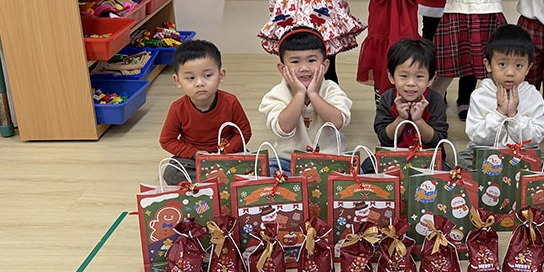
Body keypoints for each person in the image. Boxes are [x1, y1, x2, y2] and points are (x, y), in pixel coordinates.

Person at [259, 26, 352, 173]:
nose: (304, 68)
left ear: (325, 66)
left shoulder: (331, 89)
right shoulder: (277, 94)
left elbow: (338, 122)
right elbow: (284, 128)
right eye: (295, 61)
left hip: (330, 158)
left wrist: (313, 94)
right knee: (267, 169)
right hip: (288, 160)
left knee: (357, 170)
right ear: (282, 68)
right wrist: (299, 94)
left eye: (312, 60)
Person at [159, 39, 252, 185]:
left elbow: (244, 132)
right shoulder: (177, 108)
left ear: (221, 75)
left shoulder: (231, 102)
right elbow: (167, 140)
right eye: (190, 78)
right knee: (172, 173)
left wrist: (224, 153)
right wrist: (195, 153)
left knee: (252, 165)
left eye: (208, 75)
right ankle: (219, 181)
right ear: (177, 81)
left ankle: (210, 181)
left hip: (227, 156)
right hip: (193, 159)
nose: (200, 83)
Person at [465, 24, 544, 154]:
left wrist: (514, 115)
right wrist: (499, 114)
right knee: (462, 159)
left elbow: (535, 138)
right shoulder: (480, 95)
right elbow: (477, 137)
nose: (510, 72)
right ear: (488, 65)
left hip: (522, 156)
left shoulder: (533, 95)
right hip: (487, 155)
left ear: (528, 68)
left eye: (519, 65)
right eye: (502, 64)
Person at [374, 38, 448, 149]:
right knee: (368, 161)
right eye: (404, 76)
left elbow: (437, 141)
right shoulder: (387, 99)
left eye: (419, 76)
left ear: (431, 79)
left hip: (427, 155)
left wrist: (418, 120)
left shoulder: (435, 100)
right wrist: (401, 119)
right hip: (393, 154)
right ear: (391, 76)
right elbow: (384, 138)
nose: (411, 83)